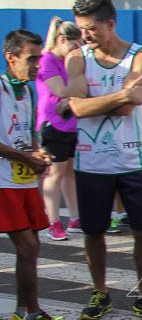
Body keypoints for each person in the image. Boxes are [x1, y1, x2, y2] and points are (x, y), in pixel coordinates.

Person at [62, 0, 142, 320]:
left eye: (91, 28)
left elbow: (123, 110)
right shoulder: (76, 58)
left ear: (110, 24)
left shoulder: (140, 55)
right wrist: (123, 93)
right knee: (94, 232)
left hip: (132, 160)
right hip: (91, 162)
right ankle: (100, 291)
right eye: (81, 29)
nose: (85, 36)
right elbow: (77, 107)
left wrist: (94, 102)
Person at [2, 29, 72, 320]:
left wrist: (37, 152)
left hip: (23, 180)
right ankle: (31, 315)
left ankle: (22, 312)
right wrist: (25, 157)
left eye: (38, 60)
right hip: (4, 182)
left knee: (32, 247)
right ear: (11, 57)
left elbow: (27, 132)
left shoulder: (28, 91)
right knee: (27, 247)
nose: (37, 67)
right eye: (31, 59)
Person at [37, 17, 82, 241]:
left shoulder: (67, 60)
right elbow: (62, 90)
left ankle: (75, 218)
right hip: (54, 123)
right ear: (62, 39)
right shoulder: (47, 60)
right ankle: (53, 221)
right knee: (55, 172)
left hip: (72, 123)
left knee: (70, 171)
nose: (77, 50)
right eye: (75, 45)